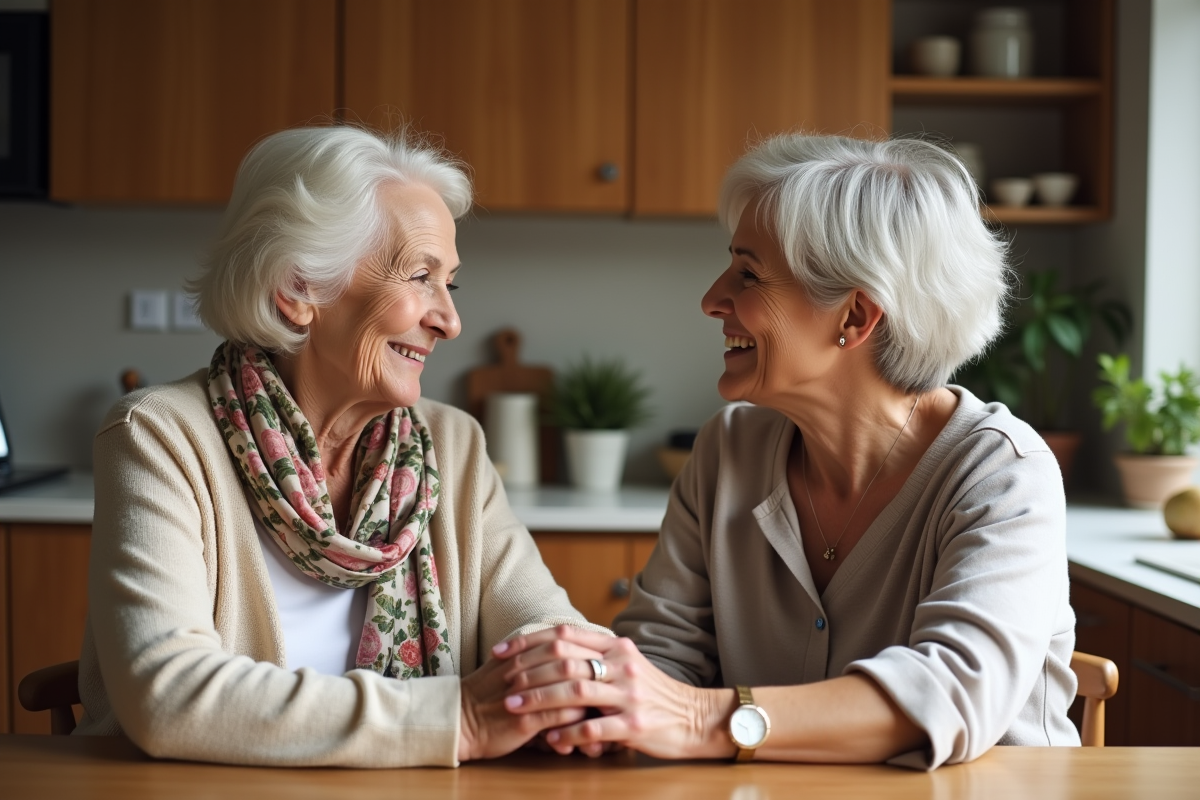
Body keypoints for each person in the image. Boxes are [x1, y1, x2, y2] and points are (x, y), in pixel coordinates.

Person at [493, 134, 1079, 768]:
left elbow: (952, 692)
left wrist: (697, 717)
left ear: (854, 318)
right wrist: (603, 700)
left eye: (748, 274)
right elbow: (662, 659)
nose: (712, 298)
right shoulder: (730, 450)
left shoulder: (1002, 475)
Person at [75, 126, 610, 767]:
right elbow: (169, 695)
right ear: (300, 288)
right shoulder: (160, 437)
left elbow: (538, 617)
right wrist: (461, 717)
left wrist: (568, 669)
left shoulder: (451, 444)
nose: (450, 319)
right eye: (420, 277)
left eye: (452, 284)